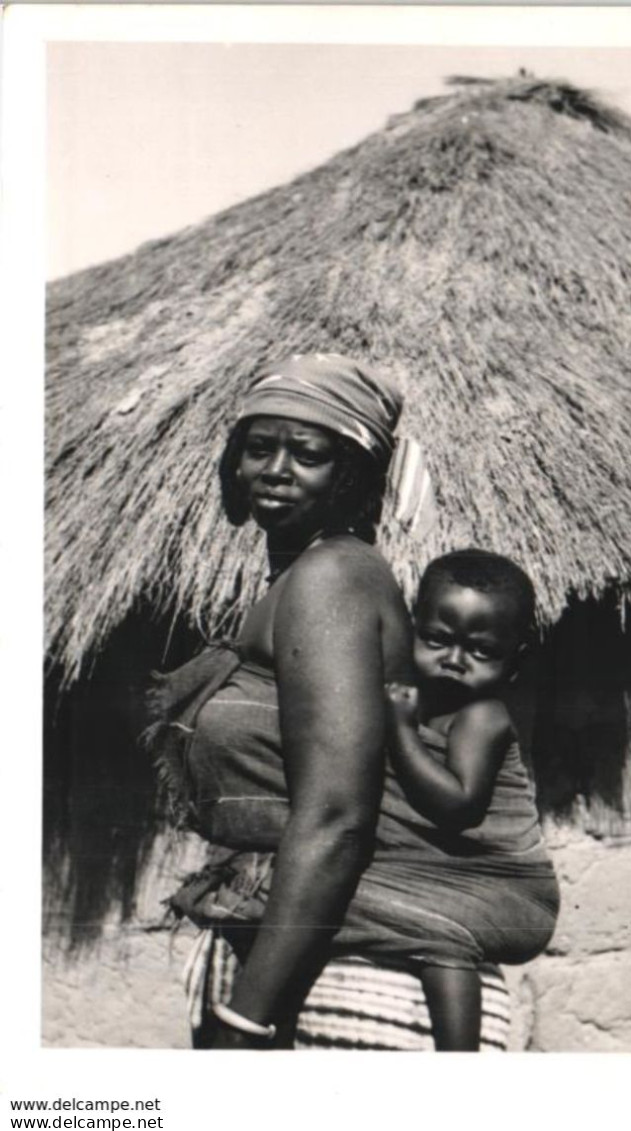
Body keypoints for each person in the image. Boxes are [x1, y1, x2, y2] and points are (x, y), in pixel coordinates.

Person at [151, 351, 416, 1048]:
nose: (275, 468)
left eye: (308, 454)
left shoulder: (330, 578)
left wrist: (246, 1016)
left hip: (335, 984)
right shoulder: (294, 581)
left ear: (351, 475)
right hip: (287, 968)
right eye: (258, 447)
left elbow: (334, 816)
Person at [382, 549, 560, 1050]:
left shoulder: (483, 715)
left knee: (446, 938)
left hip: (501, 890)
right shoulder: (419, 700)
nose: (454, 661)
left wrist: (398, 729)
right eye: (437, 640)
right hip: (442, 877)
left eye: (480, 652)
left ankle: (460, 1064)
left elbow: (458, 805)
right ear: (410, 629)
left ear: (515, 661)